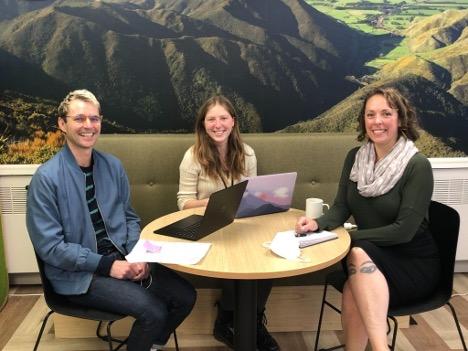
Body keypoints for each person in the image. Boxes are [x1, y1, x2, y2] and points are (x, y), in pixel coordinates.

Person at [26, 89, 196, 351]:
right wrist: (107, 266)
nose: (88, 126)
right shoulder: (46, 179)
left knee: (185, 296)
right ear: (62, 123)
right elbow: (51, 248)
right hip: (80, 274)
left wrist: (135, 254)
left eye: (94, 119)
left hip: (123, 259)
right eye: (79, 119)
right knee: (153, 311)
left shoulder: (113, 166)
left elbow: (128, 217)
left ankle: (149, 345)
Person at [296, 87, 441, 351]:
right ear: (363, 120)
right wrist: (318, 224)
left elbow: (403, 232)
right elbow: (341, 207)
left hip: (412, 262)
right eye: (370, 114)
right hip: (371, 257)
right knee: (357, 275)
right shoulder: (355, 158)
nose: (377, 121)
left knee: (357, 255)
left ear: (401, 118)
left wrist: (345, 237)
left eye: (386, 113)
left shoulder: (417, 165)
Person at [177, 95, 280, 351]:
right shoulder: (192, 156)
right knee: (235, 259)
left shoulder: (247, 154)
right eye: (211, 119)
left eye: (223, 118)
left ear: (233, 122)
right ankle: (227, 319)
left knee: (269, 258)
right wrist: (214, 202)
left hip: (241, 225)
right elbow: (183, 203)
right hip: (207, 228)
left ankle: (251, 321)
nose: (218, 124)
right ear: (203, 124)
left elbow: (252, 195)